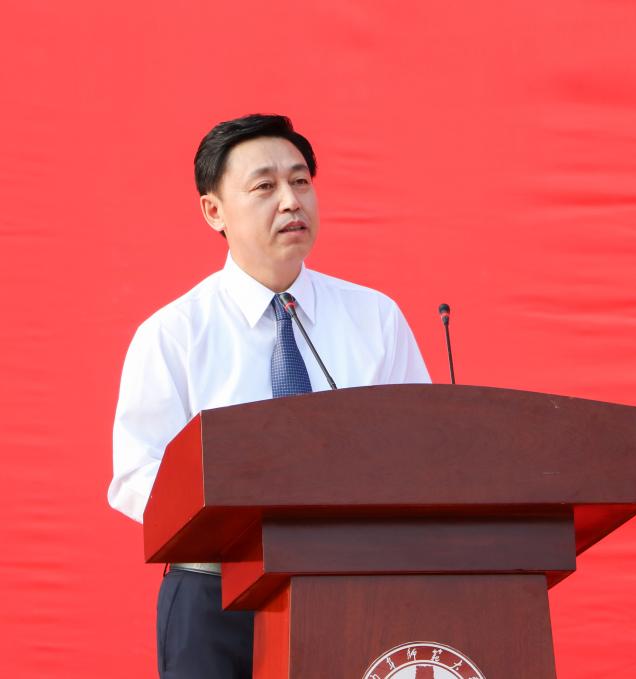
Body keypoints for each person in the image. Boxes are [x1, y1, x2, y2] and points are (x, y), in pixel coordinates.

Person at [108, 114, 431, 679]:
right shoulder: (174, 334)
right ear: (214, 211)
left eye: (300, 181)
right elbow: (136, 476)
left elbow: (421, 449)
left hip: (352, 588)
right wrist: (235, 519)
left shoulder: (374, 318)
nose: (290, 201)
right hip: (216, 599)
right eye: (264, 186)